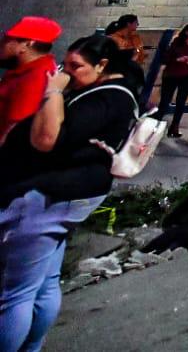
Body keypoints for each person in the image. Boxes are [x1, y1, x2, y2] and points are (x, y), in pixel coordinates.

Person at [0, 35, 138, 352]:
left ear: (102, 65)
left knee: (16, 292)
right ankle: (31, 347)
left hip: (49, 197)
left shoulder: (107, 98)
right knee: (43, 281)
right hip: (63, 196)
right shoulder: (105, 92)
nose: (67, 71)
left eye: (76, 66)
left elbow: (48, 139)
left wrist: (52, 91)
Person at [0, 19, 60, 148]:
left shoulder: (36, 77)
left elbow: (15, 129)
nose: (2, 44)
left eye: (6, 39)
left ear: (27, 44)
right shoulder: (24, 70)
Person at [153, 22, 188, 140]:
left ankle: (174, 127)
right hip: (171, 74)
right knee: (165, 100)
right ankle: (154, 126)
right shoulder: (177, 42)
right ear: (187, 31)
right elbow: (166, 57)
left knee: (181, 101)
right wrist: (178, 59)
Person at [102, 14, 146, 94]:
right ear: (129, 24)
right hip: (118, 73)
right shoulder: (113, 38)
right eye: (136, 23)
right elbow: (114, 56)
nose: (138, 25)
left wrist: (137, 51)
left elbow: (140, 51)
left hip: (132, 73)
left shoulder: (135, 38)